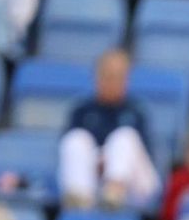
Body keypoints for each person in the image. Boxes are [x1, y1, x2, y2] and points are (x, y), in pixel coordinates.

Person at [58, 48, 160, 210]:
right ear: (97, 77)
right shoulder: (82, 110)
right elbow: (71, 153)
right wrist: (100, 162)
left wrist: (112, 163)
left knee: (124, 137)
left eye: (118, 77)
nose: (112, 82)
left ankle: (114, 193)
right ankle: (79, 202)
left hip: (134, 186)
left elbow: (144, 156)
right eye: (107, 76)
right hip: (95, 182)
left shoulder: (136, 112)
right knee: (75, 139)